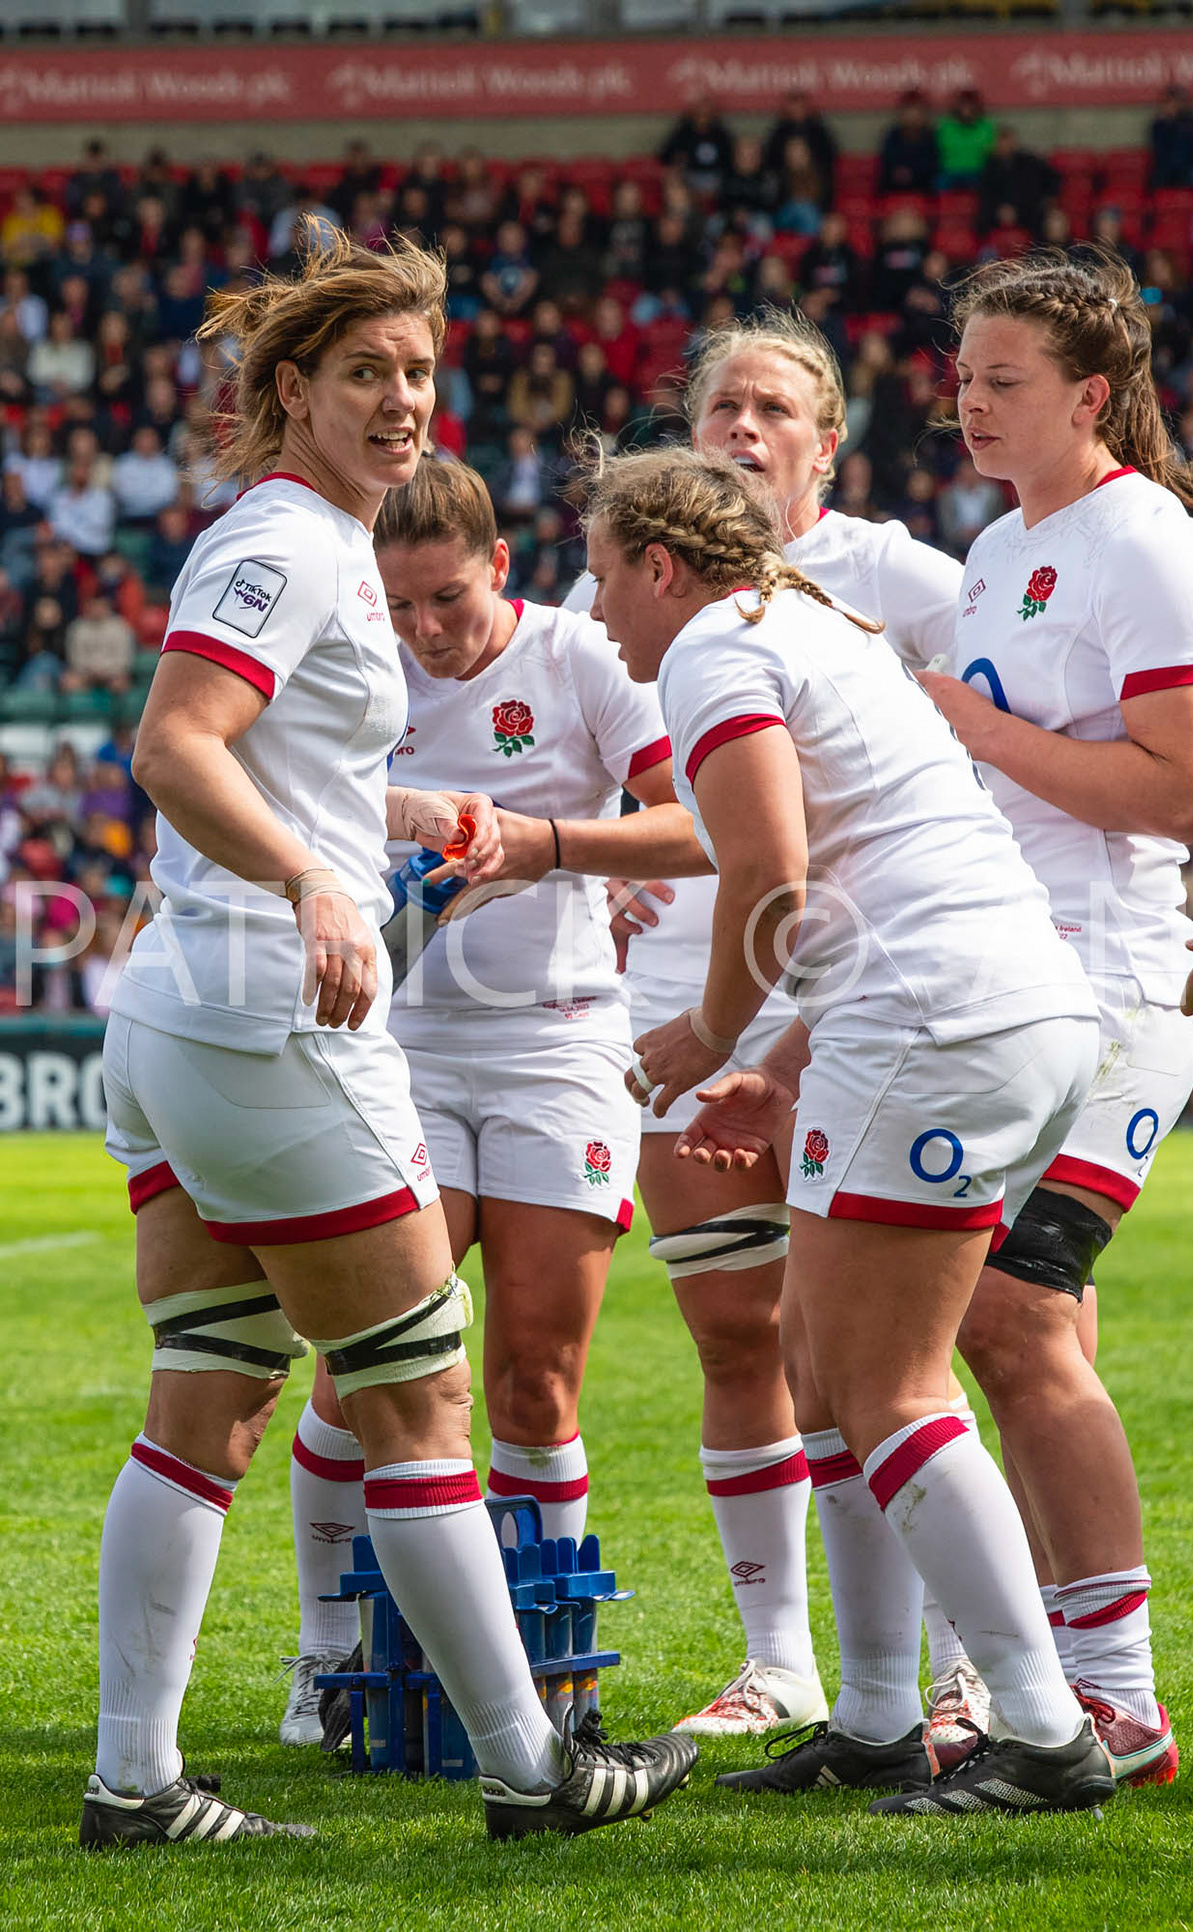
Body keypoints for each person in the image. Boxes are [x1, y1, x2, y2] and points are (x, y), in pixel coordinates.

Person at [86, 225, 695, 1848]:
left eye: (420, 371)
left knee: (208, 1396)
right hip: (271, 1021)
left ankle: (134, 1783)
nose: (405, 399)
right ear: (293, 389)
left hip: (181, 1013)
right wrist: (316, 888)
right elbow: (175, 744)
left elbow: (295, 769)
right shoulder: (288, 543)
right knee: (420, 1400)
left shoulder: (313, 541)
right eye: (367, 372)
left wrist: (412, 820)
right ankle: (533, 1770)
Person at [591, 446, 1112, 1817]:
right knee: (820, 1364)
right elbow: (876, 865)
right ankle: (880, 1714)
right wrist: (777, 1062)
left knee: (890, 1390)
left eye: (601, 577)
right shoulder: (807, 623)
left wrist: (710, 1036)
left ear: (660, 563)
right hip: (974, 1002)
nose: (597, 616)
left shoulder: (712, 642)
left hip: (933, 1019)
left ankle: (1047, 1734)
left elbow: (768, 868)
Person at [275, 456, 709, 1744]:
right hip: (393, 1040)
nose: (422, 632)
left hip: (559, 1044)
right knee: (366, 1375)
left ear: (502, 569)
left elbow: (699, 822)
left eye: (446, 601)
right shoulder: (358, 665)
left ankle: (550, 1681)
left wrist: (558, 851)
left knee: (534, 1380)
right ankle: (327, 1656)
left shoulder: (582, 659)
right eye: (400, 606)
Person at [598, 309, 970, 1748]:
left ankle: (960, 1673)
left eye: (775, 409)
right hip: (684, 1006)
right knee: (741, 1340)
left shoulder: (906, 581)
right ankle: (791, 1668)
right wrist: (601, 867)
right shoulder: (637, 592)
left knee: (894, 1351)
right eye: (721, 409)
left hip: (860, 1003)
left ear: (829, 442)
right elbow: (621, 779)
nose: (744, 429)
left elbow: (990, 740)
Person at [911, 251, 1193, 1787]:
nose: (970, 403)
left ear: (1091, 396)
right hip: (1001, 986)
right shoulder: (991, 551)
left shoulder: (1142, 540)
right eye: (965, 376)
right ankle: (1033, 1682)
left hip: (1110, 984)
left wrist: (978, 727)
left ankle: (1118, 1697)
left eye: (1004, 380)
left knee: (1011, 1314)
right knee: (1008, 1336)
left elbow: (1185, 785)